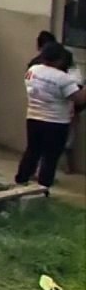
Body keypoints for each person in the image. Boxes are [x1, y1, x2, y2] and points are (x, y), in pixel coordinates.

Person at [17, 42, 86, 188]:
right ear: (60, 59)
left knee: (32, 151)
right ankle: (43, 187)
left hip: (33, 117)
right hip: (56, 122)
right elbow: (79, 98)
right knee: (50, 157)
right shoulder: (63, 78)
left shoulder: (33, 70)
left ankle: (21, 179)